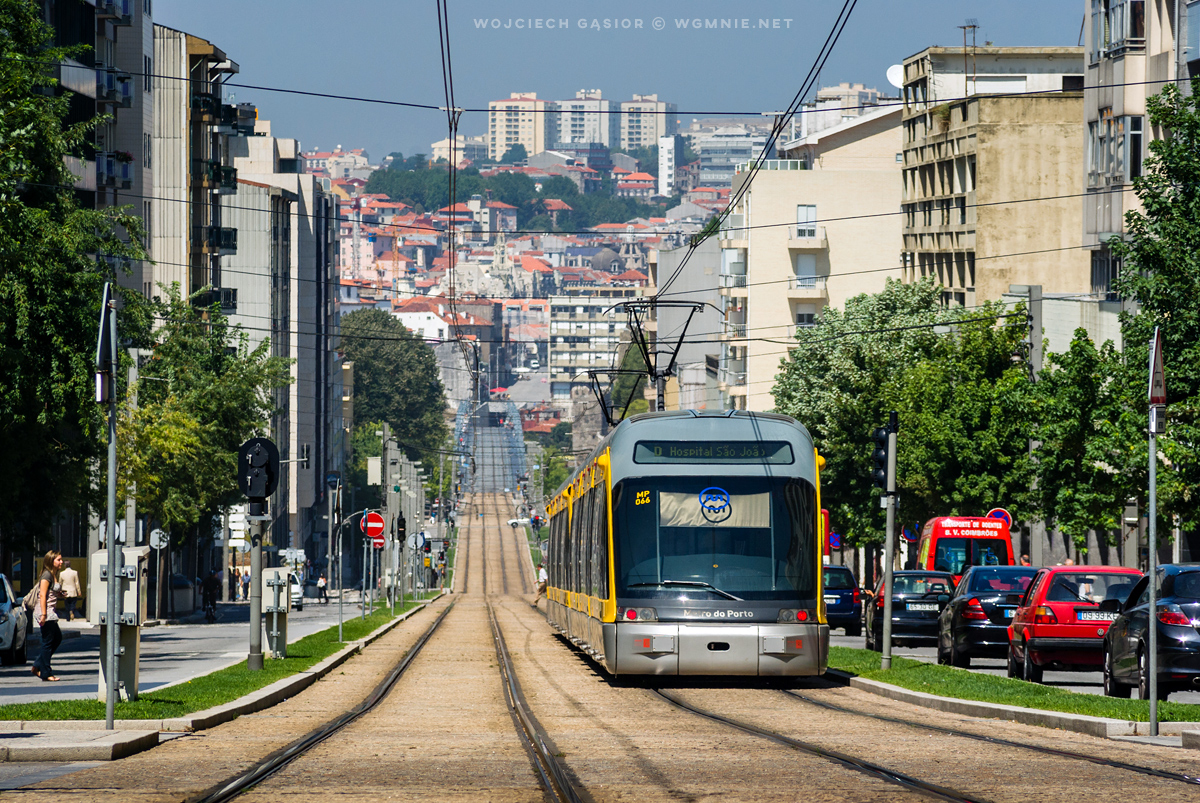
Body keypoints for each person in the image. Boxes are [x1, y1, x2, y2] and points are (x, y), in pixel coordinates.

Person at [32, 551, 64, 682]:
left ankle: (37, 665)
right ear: (51, 561)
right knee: (48, 642)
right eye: (59, 560)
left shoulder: (53, 574)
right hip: (45, 612)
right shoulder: (46, 575)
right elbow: (42, 595)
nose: (61, 562)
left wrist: (59, 594)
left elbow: (51, 592)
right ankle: (45, 672)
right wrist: (44, 615)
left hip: (50, 611)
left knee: (56, 638)